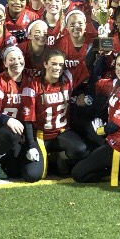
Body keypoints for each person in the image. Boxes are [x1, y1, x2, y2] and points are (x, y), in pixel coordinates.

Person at [73, 52, 120, 184]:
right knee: (81, 168)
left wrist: (98, 131)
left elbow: (113, 126)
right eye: (118, 65)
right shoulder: (118, 83)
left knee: (78, 174)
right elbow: (95, 82)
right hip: (112, 140)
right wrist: (100, 56)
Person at [20, 49, 90, 182]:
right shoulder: (32, 86)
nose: (57, 68)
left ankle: (61, 156)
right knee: (32, 175)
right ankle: (50, 158)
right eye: (54, 64)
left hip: (61, 134)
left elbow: (86, 64)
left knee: (81, 150)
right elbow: (27, 120)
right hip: (40, 136)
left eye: (60, 65)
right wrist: (30, 145)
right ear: (45, 64)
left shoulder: (67, 79)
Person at [0, 46, 37, 179]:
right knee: (11, 134)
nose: (17, 62)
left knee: (16, 171)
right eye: (12, 59)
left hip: (20, 132)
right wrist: (7, 120)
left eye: (19, 58)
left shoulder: (30, 81)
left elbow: (29, 114)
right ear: (5, 63)